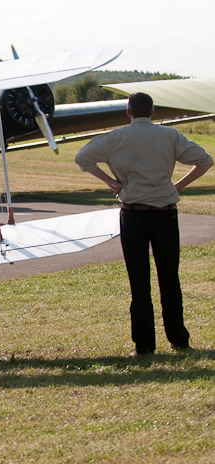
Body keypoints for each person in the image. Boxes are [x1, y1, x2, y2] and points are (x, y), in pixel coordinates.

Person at [75, 92, 213, 356]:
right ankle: (178, 339)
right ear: (152, 112)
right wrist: (180, 185)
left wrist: (111, 182)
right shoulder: (169, 136)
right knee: (169, 278)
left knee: (139, 282)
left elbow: (83, 158)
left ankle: (144, 345)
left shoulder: (115, 137)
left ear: (128, 112)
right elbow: (205, 160)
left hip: (133, 213)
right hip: (164, 212)